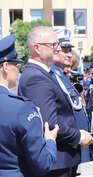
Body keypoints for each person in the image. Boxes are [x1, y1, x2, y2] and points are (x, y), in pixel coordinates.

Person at [18, 26, 92, 177]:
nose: (58, 49)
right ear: (37, 48)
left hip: (61, 160)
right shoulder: (36, 77)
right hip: (55, 163)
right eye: (53, 45)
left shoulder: (45, 73)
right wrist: (78, 136)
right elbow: (50, 124)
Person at [0, 34, 59, 177]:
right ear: (6, 67)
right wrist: (50, 140)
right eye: (16, 64)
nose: (18, 70)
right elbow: (43, 163)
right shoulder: (21, 108)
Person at [54, 28, 93, 167]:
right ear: (54, 50)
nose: (69, 55)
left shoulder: (62, 76)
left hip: (72, 144)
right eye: (65, 50)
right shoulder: (52, 75)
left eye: (70, 50)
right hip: (63, 147)